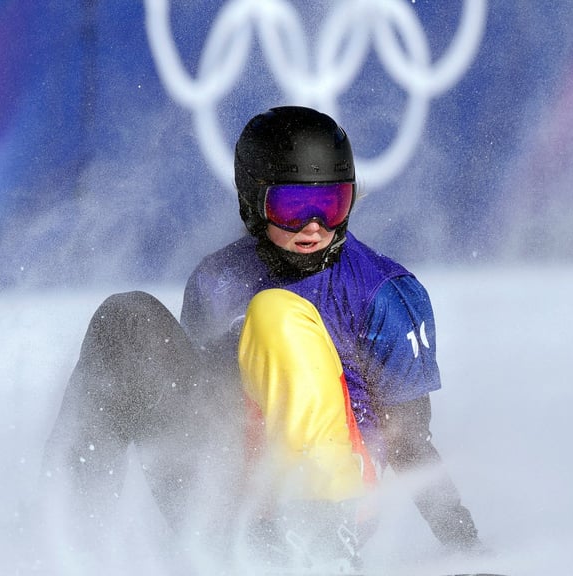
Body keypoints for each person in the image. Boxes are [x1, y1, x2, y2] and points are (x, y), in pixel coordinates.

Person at [41, 106, 481, 571]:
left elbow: (409, 439)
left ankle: (321, 553)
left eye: (332, 204)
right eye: (292, 208)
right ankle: (72, 539)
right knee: (125, 319)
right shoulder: (218, 278)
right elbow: (198, 404)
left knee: (276, 314)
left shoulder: (384, 293)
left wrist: (462, 539)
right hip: (228, 493)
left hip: (331, 504)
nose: (314, 226)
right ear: (253, 203)